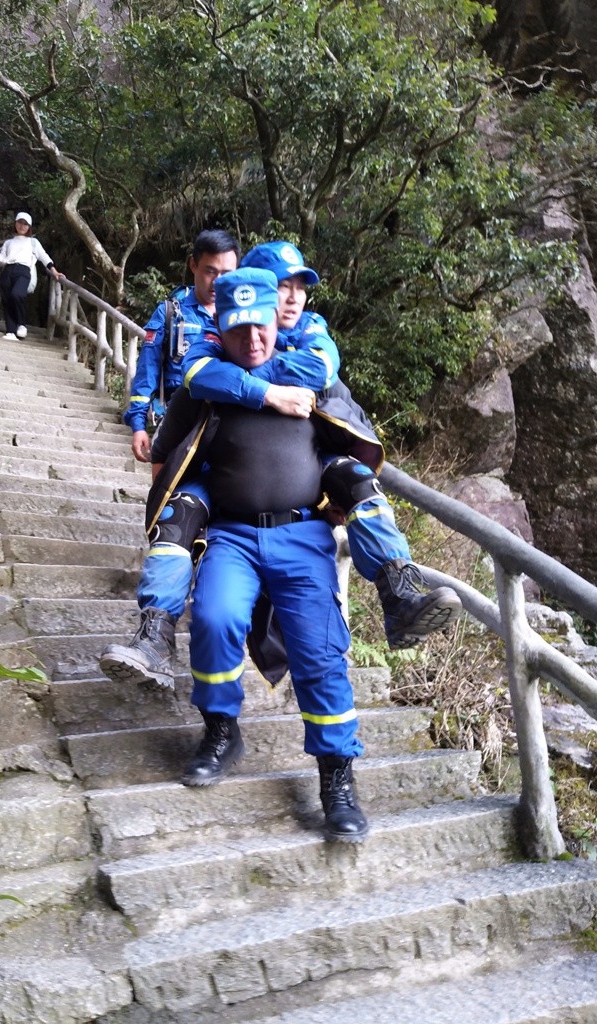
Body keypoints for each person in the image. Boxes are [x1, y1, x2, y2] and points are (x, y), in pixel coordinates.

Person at [99, 241, 461, 690]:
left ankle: (399, 592)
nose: (292, 297)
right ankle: (155, 635)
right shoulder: (219, 333)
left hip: (306, 478)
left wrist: (252, 371)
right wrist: (266, 390)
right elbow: (196, 374)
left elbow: (323, 367)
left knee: (359, 483)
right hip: (227, 487)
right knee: (180, 517)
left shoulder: (309, 329)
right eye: (281, 286)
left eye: (299, 287)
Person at [148, 267, 371, 841]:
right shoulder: (208, 381)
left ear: (279, 319)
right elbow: (167, 450)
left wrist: (345, 489)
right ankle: (221, 730)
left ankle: (336, 777)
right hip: (232, 534)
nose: (253, 340)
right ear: (218, 325)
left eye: (262, 326)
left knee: (319, 654)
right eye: (239, 327)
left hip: (302, 537)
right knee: (215, 620)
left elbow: (354, 435)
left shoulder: (312, 373)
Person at [123, 229, 240, 463]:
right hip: (178, 420)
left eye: (227, 274)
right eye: (210, 271)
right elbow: (148, 370)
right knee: (167, 491)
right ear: (193, 265)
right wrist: (138, 425)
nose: (218, 282)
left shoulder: (245, 318)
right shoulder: (170, 313)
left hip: (228, 424)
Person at [0, 212, 64, 340]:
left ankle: (21, 324)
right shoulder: (8, 242)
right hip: (7, 270)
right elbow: (1, 261)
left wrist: (54, 271)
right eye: (20, 222)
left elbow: (44, 257)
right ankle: (10, 330)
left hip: (23, 270)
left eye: (25, 224)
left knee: (17, 294)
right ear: (15, 223)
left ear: (29, 227)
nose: (22, 226)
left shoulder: (33, 242)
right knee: (7, 299)